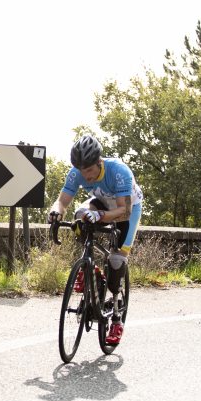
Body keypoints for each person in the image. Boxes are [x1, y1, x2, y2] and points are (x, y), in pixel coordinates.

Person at [47, 134, 142, 344]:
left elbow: (122, 211)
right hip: (102, 203)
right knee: (81, 216)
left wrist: (100, 216)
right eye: (82, 171)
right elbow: (62, 200)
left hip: (127, 210)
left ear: (99, 162)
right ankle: (90, 269)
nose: (86, 176)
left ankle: (117, 318)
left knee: (117, 261)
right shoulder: (77, 173)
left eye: (89, 170)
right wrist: (55, 212)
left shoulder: (119, 172)